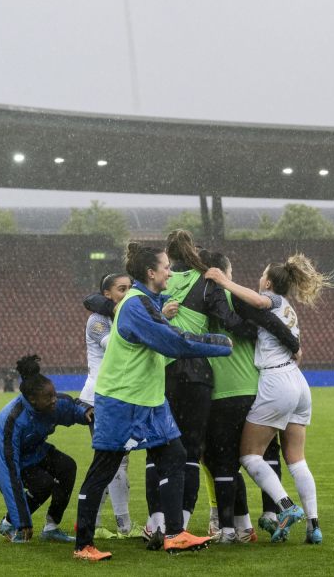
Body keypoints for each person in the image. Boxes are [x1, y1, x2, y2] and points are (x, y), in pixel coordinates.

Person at [72, 242, 232, 562]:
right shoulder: (134, 305)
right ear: (150, 272)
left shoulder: (145, 299)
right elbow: (171, 341)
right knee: (104, 468)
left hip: (149, 399)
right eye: (166, 267)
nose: (170, 272)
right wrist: (217, 342)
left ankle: (174, 534)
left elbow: (158, 302)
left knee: (174, 454)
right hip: (120, 399)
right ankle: (83, 545)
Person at [205, 253, 332, 544]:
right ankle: (314, 526)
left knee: (249, 455)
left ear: (269, 281)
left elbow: (261, 302)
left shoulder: (272, 300)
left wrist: (225, 281)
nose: (259, 280)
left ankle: (285, 507)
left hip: (277, 381)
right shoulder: (289, 308)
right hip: (299, 383)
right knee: (297, 460)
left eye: (263, 276)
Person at [143, 230, 260, 538]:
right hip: (196, 375)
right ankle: (179, 524)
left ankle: (155, 523)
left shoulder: (157, 284)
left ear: (168, 258)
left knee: (158, 448)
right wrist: (262, 332)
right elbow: (229, 320)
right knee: (191, 450)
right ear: (192, 250)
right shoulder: (205, 281)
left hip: (161, 373)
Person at [0, 355, 92, 544]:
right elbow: (9, 473)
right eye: (49, 397)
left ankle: (51, 528)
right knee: (43, 485)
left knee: (67, 466)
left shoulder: (51, 404)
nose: (54, 400)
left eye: (54, 394)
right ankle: (10, 523)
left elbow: (70, 407)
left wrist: (86, 412)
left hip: (31, 449)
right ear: (33, 400)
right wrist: (23, 520)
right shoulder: (13, 421)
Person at [79, 272, 141, 538]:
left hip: (118, 396)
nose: (126, 293)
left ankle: (95, 523)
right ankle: (123, 524)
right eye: (121, 289)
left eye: (129, 288)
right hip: (98, 398)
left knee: (114, 461)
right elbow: (115, 345)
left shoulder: (117, 316)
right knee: (112, 461)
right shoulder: (96, 321)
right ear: (107, 294)